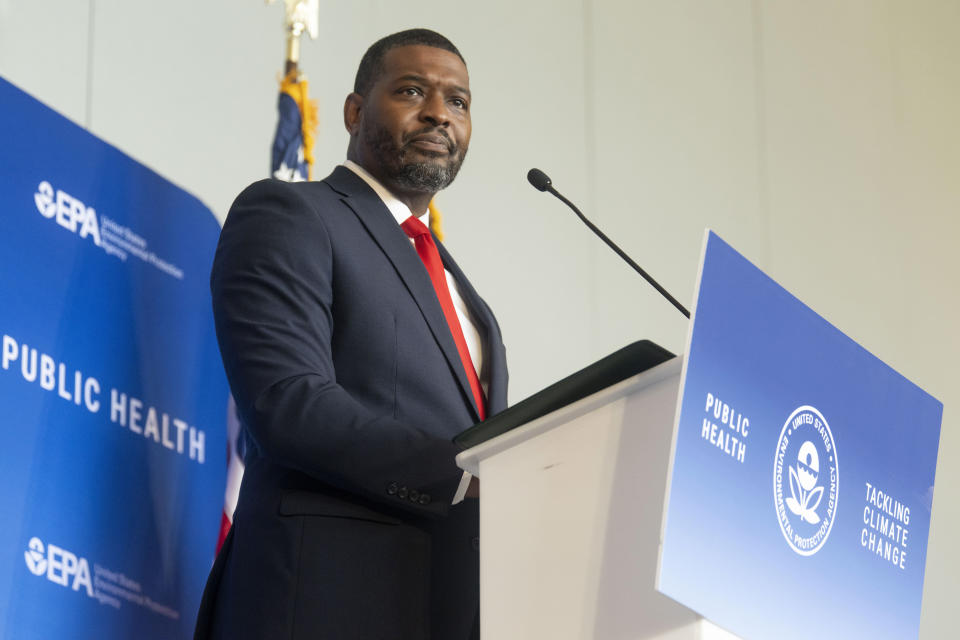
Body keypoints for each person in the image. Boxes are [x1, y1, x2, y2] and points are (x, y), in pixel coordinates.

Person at [193, 28, 508, 640]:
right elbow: (288, 402)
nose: (440, 113)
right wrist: (467, 476)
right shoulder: (291, 214)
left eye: (459, 102)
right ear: (354, 111)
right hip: (322, 598)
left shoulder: (469, 299)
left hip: (441, 608)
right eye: (414, 91)